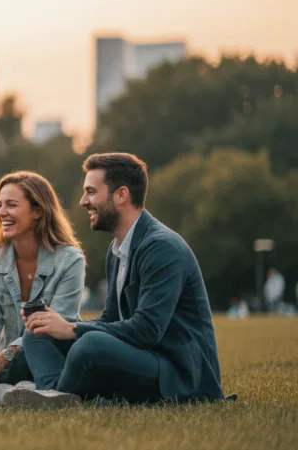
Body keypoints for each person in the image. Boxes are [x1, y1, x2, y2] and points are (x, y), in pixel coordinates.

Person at [12, 153, 224, 407]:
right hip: (140, 357)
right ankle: (56, 394)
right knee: (37, 332)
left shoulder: (162, 248)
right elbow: (112, 319)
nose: (83, 201)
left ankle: (52, 393)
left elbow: (147, 330)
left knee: (89, 345)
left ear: (121, 195)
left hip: (177, 373)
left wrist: (73, 329)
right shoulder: (117, 250)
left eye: (91, 192)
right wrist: (58, 325)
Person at [0, 171, 86, 403]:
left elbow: (57, 322)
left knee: (33, 341)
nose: (1, 212)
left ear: (37, 211)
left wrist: (3, 356)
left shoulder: (70, 259)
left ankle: (20, 390)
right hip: (7, 360)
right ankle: (18, 391)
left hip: (46, 354)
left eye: (12, 205)